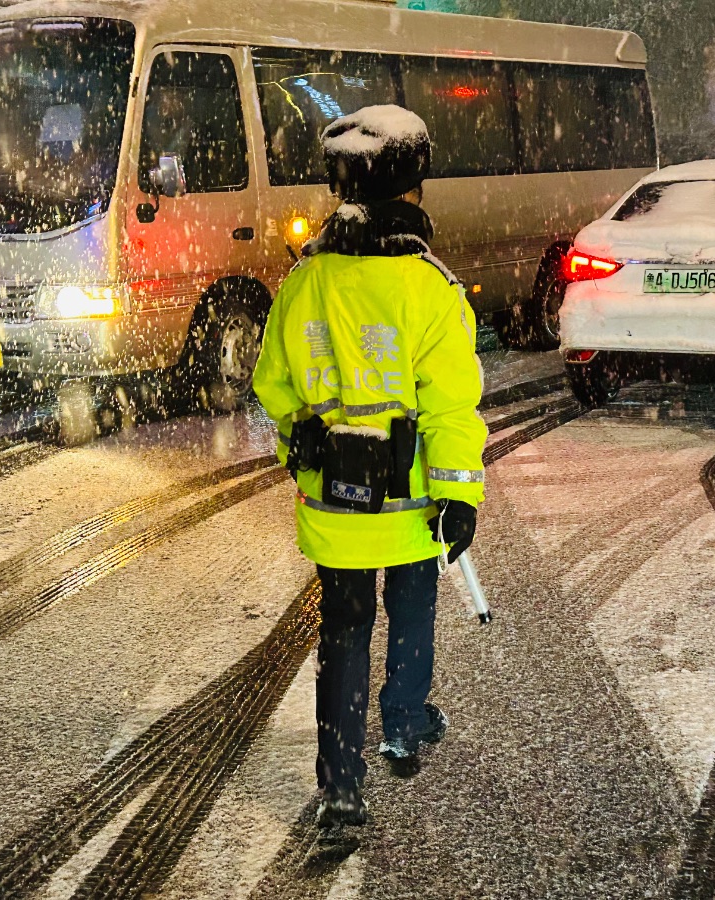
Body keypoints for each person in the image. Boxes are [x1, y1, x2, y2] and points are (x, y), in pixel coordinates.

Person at [253, 105, 488, 831]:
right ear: (413, 187)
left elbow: (273, 383)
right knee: (412, 609)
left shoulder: (305, 282)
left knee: (343, 631)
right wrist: (459, 494)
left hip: (335, 506)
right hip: (411, 506)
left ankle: (341, 784)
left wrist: (309, 437)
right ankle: (405, 722)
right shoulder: (431, 289)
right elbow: (450, 405)